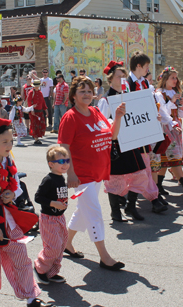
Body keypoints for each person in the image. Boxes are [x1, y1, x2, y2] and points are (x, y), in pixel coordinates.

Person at [0, 118, 54, 307]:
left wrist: (11, 193)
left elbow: (17, 185)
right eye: (4, 142)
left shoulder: (8, 160)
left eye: (11, 141)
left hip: (7, 217)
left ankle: (31, 297)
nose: (9, 145)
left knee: (20, 256)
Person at [58, 76, 125, 271]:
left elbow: (112, 135)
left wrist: (118, 117)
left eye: (89, 91)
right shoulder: (70, 117)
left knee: (83, 211)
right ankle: (105, 257)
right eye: (82, 91)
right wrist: (69, 173)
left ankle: (66, 243)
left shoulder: (96, 111)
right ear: (73, 95)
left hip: (99, 172)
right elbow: (63, 146)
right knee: (94, 213)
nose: (86, 94)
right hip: (81, 175)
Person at [98, 61, 167, 222]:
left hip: (132, 142)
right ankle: (115, 211)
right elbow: (101, 124)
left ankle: (131, 206)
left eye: (124, 76)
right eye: (119, 77)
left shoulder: (132, 97)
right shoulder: (106, 100)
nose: (122, 79)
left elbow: (141, 118)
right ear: (110, 80)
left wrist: (152, 119)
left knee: (139, 174)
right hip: (116, 145)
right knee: (115, 178)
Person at [126, 52, 173, 205]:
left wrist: (155, 115)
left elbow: (150, 103)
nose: (148, 69)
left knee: (148, 163)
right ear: (138, 66)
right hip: (133, 130)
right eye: (146, 66)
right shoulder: (127, 84)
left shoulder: (145, 83)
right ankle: (138, 199)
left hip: (146, 128)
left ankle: (152, 196)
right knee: (137, 166)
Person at [155, 66, 183, 197]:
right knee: (173, 157)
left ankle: (158, 186)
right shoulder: (158, 94)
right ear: (165, 79)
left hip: (176, 127)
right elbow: (162, 112)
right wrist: (171, 102)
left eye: (176, 78)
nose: (175, 80)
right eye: (172, 77)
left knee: (166, 159)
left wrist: (181, 105)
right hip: (166, 127)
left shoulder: (174, 92)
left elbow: (182, 114)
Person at [33, 145, 69, 285]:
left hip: (60, 217)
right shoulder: (48, 179)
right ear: (51, 164)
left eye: (67, 161)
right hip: (49, 218)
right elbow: (38, 197)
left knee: (61, 246)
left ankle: (52, 272)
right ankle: (40, 268)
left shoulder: (61, 178)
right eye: (61, 162)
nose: (65, 164)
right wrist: (53, 204)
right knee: (53, 247)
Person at [27, 79, 48, 145]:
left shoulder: (40, 93)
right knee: (35, 125)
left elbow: (43, 103)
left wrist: (46, 110)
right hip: (34, 112)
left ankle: (37, 137)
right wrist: (32, 110)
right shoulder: (31, 92)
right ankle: (36, 138)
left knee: (41, 125)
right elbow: (29, 102)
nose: (37, 87)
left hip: (40, 111)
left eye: (38, 86)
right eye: (36, 86)